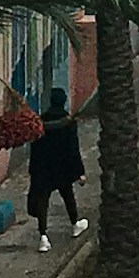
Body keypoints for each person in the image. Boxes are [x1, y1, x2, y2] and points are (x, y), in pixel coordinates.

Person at [25, 85, 86, 249]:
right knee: (68, 197)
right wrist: (80, 172)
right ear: (63, 102)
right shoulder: (67, 122)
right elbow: (73, 149)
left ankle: (43, 237)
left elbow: (35, 148)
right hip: (63, 168)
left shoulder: (40, 121)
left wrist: (34, 170)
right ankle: (75, 225)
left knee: (43, 202)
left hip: (44, 169)